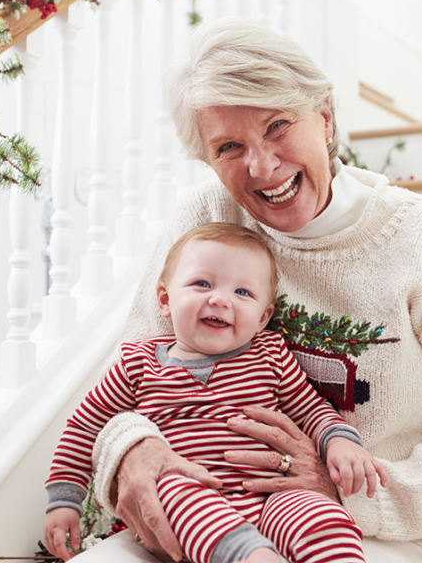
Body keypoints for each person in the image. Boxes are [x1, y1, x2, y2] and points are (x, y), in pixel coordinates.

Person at [74, 18, 422, 563]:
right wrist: (132, 451)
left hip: (388, 532)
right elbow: (128, 383)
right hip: (209, 518)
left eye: (278, 125)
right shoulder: (207, 217)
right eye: (229, 146)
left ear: (325, 119)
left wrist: (347, 492)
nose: (261, 166)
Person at [44, 223, 388, 563]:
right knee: (169, 486)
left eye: (243, 293)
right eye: (202, 283)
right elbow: (85, 427)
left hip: (271, 497)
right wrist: (64, 499)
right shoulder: (138, 363)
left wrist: (341, 442)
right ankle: (253, 556)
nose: (220, 299)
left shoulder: (270, 355)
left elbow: (312, 410)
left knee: (318, 513)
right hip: (192, 498)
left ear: (262, 318)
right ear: (165, 299)